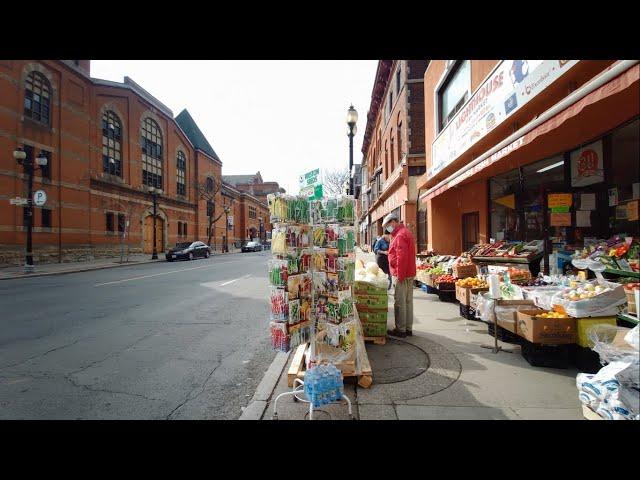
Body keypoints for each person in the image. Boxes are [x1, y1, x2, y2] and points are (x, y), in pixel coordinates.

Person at [383, 212, 416, 338]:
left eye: (387, 226)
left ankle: (400, 329)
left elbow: (401, 258)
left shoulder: (400, 235)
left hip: (401, 273)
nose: (387, 229)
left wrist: (400, 275)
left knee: (400, 302)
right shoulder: (405, 232)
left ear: (393, 222)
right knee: (408, 302)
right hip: (409, 272)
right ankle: (408, 328)